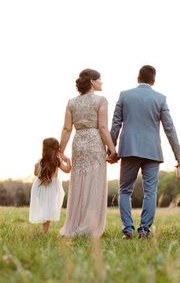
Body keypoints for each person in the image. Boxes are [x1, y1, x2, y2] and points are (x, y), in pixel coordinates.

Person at [110, 65, 180, 239]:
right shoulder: (160, 98)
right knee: (151, 191)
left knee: (125, 191)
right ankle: (144, 231)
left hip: (129, 149)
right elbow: (169, 129)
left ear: (138, 78)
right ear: (153, 80)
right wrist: (178, 154)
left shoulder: (124, 95)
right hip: (152, 151)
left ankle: (128, 230)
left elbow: (115, 125)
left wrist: (111, 150)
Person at [59, 69, 117, 237]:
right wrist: (113, 150)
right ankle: (90, 226)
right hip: (94, 142)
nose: (102, 83)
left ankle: (74, 224)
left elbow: (66, 129)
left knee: (79, 182)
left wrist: (61, 151)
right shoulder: (101, 101)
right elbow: (104, 128)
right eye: (100, 80)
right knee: (95, 183)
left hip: (78, 142)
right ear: (92, 81)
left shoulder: (71, 103)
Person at [29, 138, 71, 233]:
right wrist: (68, 160)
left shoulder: (41, 161)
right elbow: (67, 170)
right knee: (48, 209)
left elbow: (36, 174)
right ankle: (45, 231)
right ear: (56, 150)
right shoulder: (57, 161)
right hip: (51, 188)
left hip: (40, 188)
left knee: (45, 208)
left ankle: (44, 231)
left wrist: (36, 168)